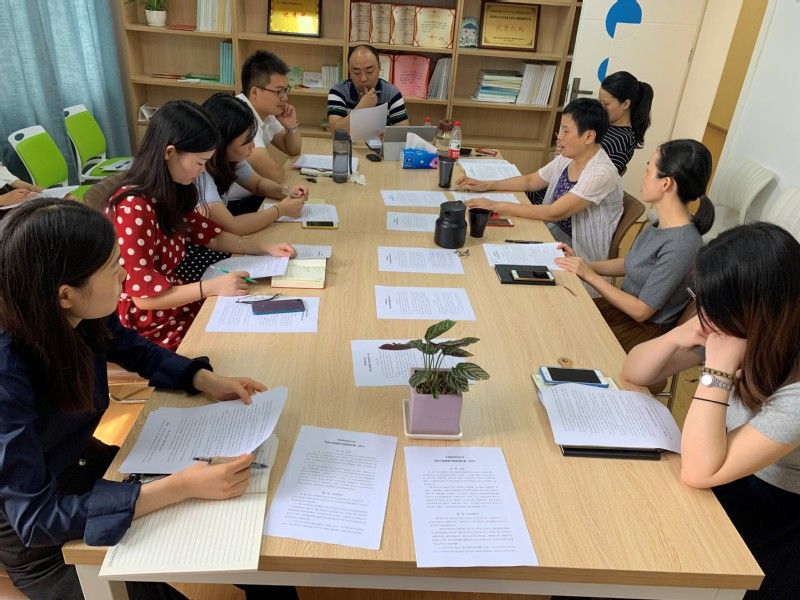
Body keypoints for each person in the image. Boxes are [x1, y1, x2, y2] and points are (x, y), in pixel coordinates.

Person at [0, 198, 263, 600]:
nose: (124, 273)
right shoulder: (7, 373)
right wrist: (180, 487)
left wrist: (201, 377)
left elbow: (127, 344)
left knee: (241, 529)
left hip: (87, 468)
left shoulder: (70, 310)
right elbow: (36, 519)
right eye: (113, 267)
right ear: (65, 294)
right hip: (42, 542)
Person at [621, 222, 800, 599]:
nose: (708, 317)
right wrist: (682, 334)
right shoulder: (747, 328)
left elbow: (699, 472)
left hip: (775, 510)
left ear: (753, 312)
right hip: (723, 472)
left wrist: (717, 371)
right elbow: (635, 371)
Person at [106, 100, 295, 351]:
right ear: (170, 152)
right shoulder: (133, 207)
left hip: (176, 296)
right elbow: (143, 298)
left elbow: (211, 236)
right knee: (236, 343)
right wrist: (211, 288)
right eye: (199, 162)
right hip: (147, 322)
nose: (203, 170)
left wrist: (264, 248)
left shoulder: (172, 188)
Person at [555, 139, 714, 352]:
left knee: (564, 337)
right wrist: (583, 264)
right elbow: (631, 263)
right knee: (558, 316)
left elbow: (641, 311)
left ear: (666, 183)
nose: (643, 177)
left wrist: (589, 275)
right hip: (622, 312)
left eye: (649, 171)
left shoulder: (682, 244)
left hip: (644, 331)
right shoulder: (661, 223)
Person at [458, 98, 623, 263]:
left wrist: (494, 205)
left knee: (494, 244)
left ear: (588, 136)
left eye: (566, 131)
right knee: (493, 237)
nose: (559, 137)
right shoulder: (571, 156)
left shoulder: (601, 172)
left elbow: (554, 213)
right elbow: (531, 181)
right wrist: (489, 185)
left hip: (576, 249)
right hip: (550, 229)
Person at [199, 93, 309, 234]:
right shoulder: (200, 173)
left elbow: (258, 184)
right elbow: (232, 226)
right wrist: (280, 210)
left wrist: (287, 192)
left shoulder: (231, 160)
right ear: (222, 141)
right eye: (246, 141)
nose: (253, 146)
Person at [237, 50, 302, 185]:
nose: (285, 97)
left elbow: (293, 149)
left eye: (285, 90)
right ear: (255, 92)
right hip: (230, 198)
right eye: (278, 91)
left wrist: (291, 127)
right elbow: (275, 175)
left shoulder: (265, 112)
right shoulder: (241, 118)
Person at [327, 44, 409, 134]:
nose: (363, 78)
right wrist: (362, 107)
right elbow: (336, 132)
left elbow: (403, 134)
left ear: (379, 68)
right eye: (356, 72)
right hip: (347, 143)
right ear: (349, 71)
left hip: (380, 143)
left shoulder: (391, 93)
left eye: (369, 71)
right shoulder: (339, 91)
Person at [598, 71, 654, 174]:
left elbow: (602, 178)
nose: (601, 107)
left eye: (605, 103)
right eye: (600, 101)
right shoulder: (603, 122)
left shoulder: (623, 140)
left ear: (625, 104)